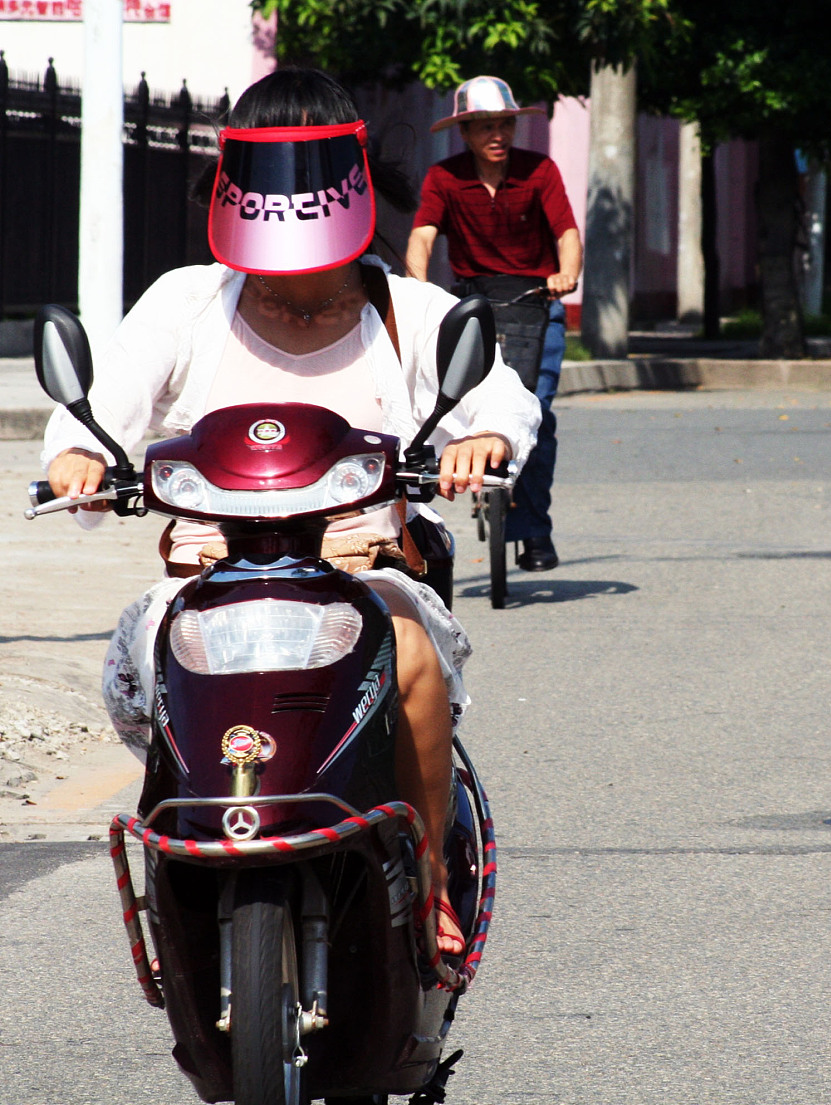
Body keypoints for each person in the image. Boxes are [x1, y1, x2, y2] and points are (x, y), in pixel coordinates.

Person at [40, 67, 541, 956]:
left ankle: (424, 879)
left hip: (359, 583)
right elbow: (97, 407)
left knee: (413, 650)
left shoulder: (405, 309)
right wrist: (78, 455)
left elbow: (502, 398)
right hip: (208, 588)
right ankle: (190, 879)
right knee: (156, 671)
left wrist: (486, 442)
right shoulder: (186, 302)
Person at [406, 76, 582, 572]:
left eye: (504, 123)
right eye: (484, 126)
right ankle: (417, 529)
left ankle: (534, 533)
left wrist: (567, 274)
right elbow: (422, 237)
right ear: (465, 131)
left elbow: (566, 231)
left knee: (537, 413)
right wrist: (418, 288)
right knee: (449, 406)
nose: (497, 134)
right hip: (476, 301)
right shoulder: (444, 178)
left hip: (536, 300)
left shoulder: (540, 170)